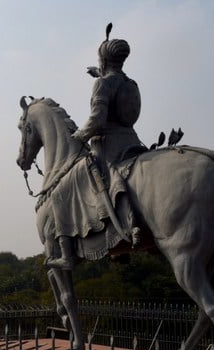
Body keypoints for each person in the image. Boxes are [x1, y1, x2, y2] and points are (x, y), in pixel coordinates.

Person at [47, 23, 144, 270]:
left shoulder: (103, 84)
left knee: (59, 193)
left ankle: (68, 256)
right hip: (132, 142)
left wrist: (79, 136)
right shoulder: (131, 83)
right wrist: (100, 77)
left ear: (103, 58)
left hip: (107, 146)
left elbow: (98, 120)